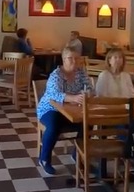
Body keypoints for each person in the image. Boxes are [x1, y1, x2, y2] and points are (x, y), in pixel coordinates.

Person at [35, 47, 92, 175]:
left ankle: (77, 154)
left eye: (77, 58)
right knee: (54, 124)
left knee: (88, 123)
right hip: (50, 108)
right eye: (70, 58)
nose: (74, 61)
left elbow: (90, 88)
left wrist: (86, 95)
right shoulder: (56, 75)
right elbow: (54, 94)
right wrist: (73, 97)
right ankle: (44, 159)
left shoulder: (81, 73)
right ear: (63, 59)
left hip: (72, 110)